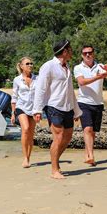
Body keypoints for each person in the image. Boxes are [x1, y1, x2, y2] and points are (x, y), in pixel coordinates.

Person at [33, 40, 82, 179]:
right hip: (53, 106)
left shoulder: (67, 67)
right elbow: (41, 89)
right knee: (58, 137)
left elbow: (70, 90)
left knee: (68, 137)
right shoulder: (48, 66)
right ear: (65, 51)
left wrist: (76, 110)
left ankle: (55, 161)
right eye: (70, 49)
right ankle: (54, 170)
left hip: (67, 107)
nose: (72, 51)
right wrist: (37, 110)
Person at [74, 45, 107, 166]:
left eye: (90, 52)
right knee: (87, 129)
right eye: (85, 53)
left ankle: (87, 154)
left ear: (93, 53)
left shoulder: (100, 66)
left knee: (93, 132)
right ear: (82, 55)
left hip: (98, 103)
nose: (88, 55)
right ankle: (91, 155)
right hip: (83, 102)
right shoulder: (78, 67)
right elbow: (81, 82)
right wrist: (98, 77)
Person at [11, 57, 38, 168]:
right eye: (27, 63)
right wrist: (13, 113)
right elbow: (14, 97)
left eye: (31, 63)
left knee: (31, 135)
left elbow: (41, 94)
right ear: (21, 66)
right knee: (25, 129)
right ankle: (25, 158)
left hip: (34, 109)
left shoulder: (38, 78)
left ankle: (28, 156)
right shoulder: (17, 79)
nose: (30, 65)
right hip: (21, 107)